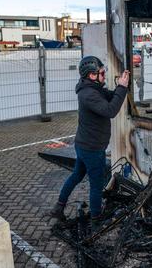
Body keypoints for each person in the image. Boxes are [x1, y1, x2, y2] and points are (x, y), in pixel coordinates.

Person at [51, 56, 130, 227]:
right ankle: (96, 219)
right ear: (92, 75)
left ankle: (59, 207)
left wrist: (120, 87)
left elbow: (110, 96)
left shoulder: (93, 88)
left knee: (77, 175)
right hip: (92, 148)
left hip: (84, 144)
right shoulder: (89, 94)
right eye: (102, 73)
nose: (104, 75)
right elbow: (110, 110)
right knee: (96, 184)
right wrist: (122, 88)